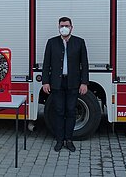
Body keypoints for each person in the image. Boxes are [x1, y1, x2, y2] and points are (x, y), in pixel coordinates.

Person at [42, 16, 89, 152]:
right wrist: (45, 81)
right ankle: (59, 140)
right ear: (58, 27)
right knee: (58, 111)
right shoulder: (52, 43)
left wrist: (84, 83)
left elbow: (84, 64)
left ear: (71, 27)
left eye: (67, 26)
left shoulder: (79, 42)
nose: (64, 28)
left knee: (70, 111)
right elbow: (46, 64)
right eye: (62, 26)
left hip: (73, 83)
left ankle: (69, 140)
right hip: (57, 83)